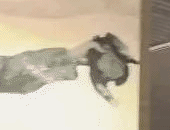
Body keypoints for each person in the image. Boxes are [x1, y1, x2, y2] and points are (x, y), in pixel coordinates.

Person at [0, 33, 139, 103]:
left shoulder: (17, 67)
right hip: (20, 80)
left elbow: (24, 62)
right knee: (60, 64)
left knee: (56, 61)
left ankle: (93, 48)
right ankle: (92, 51)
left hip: (19, 72)